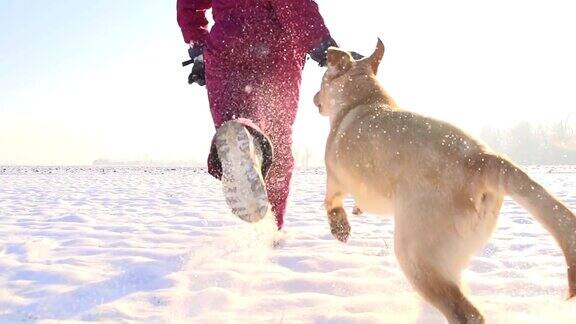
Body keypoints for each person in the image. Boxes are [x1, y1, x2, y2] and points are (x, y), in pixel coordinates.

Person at [177, 0, 342, 230]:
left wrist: (198, 50)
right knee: (277, 138)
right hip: (277, 50)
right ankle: (271, 225)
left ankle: (244, 137)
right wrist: (320, 44)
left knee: (233, 123)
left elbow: (189, 5)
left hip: (226, 50)